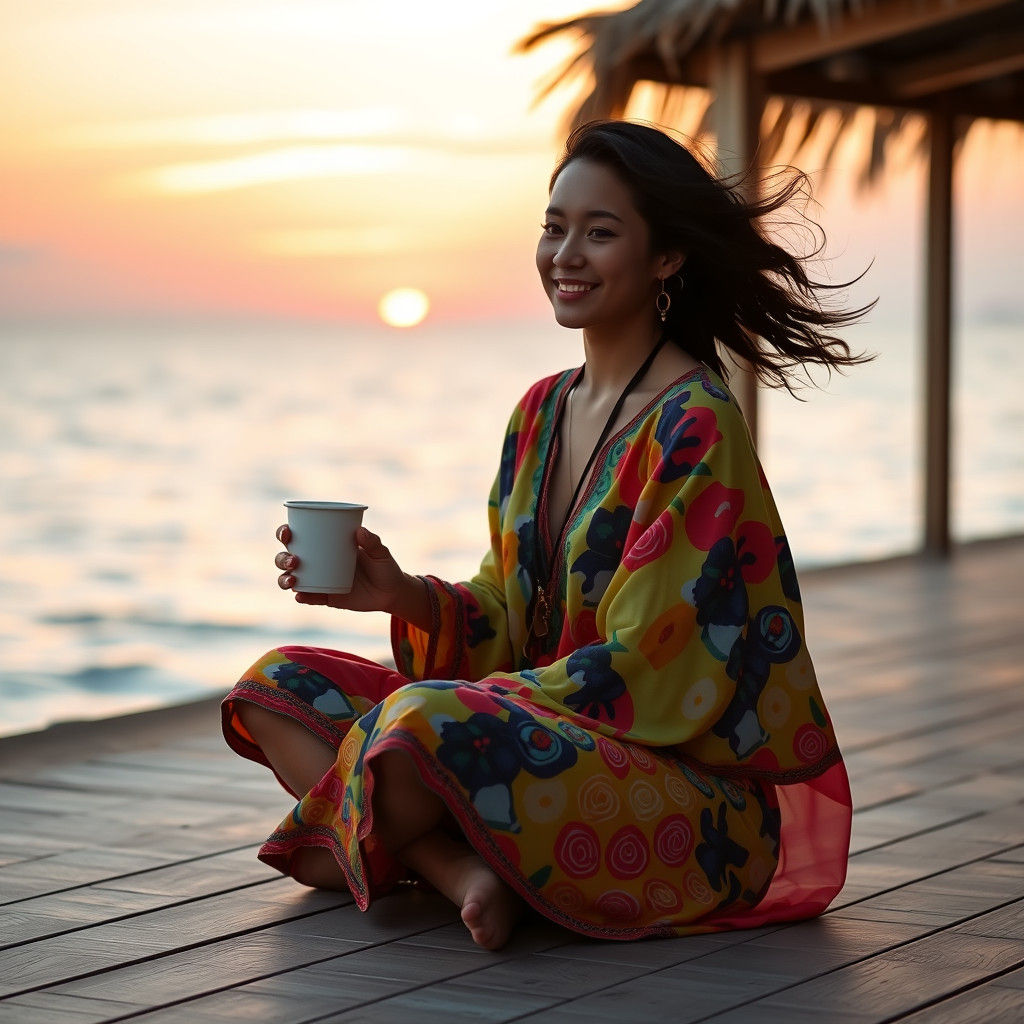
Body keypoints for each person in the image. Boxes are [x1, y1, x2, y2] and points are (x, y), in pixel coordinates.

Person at [222, 119, 871, 951]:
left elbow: (650, 670)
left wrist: (458, 708)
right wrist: (400, 595)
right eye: (553, 228)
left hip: (680, 798)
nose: (566, 253)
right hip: (536, 742)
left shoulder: (696, 426)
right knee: (275, 688)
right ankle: (460, 867)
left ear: (666, 256)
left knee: (416, 725)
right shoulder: (539, 411)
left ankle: (410, 840)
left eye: (599, 233)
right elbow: (505, 610)